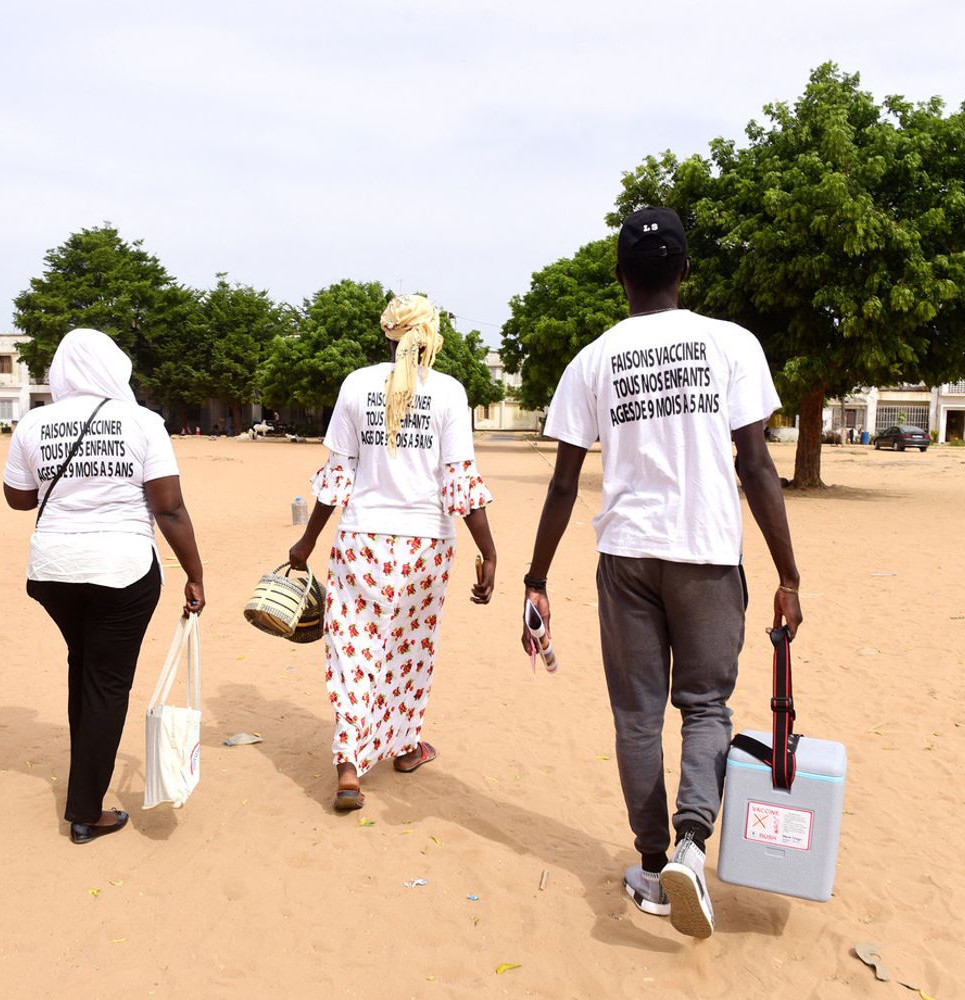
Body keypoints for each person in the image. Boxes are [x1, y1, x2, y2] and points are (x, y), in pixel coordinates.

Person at [522, 209, 802, 939]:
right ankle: (689, 845)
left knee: (637, 715)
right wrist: (789, 575)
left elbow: (561, 486)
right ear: (684, 272)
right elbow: (757, 464)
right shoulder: (731, 343)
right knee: (706, 707)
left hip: (627, 557)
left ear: (620, 278)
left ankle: (651, 867)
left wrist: (536, 576)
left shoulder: (593, 359)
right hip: (707, 552)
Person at [287, 293, 497, 812]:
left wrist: (307, 539)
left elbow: (339, 477)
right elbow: (459, 482)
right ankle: (405, 748)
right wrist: (489, 552)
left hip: (362, 541)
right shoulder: (449, 392)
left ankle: (349, 766)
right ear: (431, 335)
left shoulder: (357, 385)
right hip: (426, 547)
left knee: (353, 653)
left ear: (388, 332)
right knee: (408, 653)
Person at [2, 328, 205, 844]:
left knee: (86, 670)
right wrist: (196, 574)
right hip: (123, 569)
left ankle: (83, 790)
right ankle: (85, 811)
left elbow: (19, 499)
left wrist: (64, 481)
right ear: (115, 368)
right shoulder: (142, 423)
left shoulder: (34, 421)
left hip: (52, 572)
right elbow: (168, 506)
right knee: (107, 684)